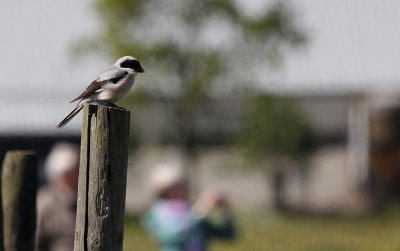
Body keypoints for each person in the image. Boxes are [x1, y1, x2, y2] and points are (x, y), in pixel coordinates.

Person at [143, 163, 235, 251]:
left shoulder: (190, 209)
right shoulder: (156, 214)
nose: (179, 191)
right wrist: (198, 212)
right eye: (173, 187)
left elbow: (228, 235)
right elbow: (172, 238)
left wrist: (225, 211)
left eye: (180, 186)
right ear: (163, 190)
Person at [35, 143, 80, 251]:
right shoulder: (44, 203)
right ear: (64, 175)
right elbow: (34, 243)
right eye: (77, 170)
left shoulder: (82, 199)